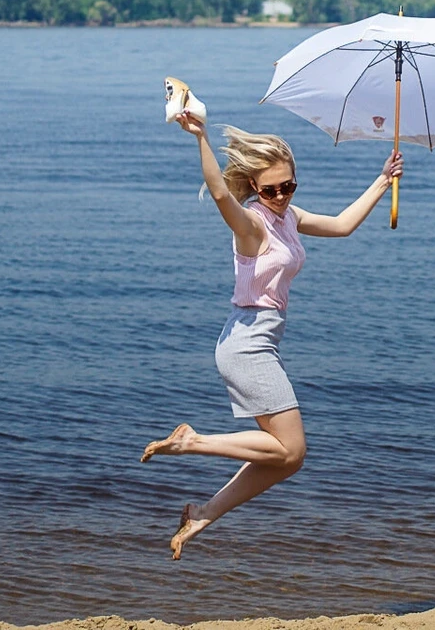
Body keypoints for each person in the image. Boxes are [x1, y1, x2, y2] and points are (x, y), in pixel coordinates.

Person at [141, 109, 404, 560]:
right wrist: (200, 137)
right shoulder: (253, 224)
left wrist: (384, 179)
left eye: (288, 186)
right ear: (255, 189)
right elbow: (222, 195)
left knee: (283, 459)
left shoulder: (289, 216)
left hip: (259, 342)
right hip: (247, 345)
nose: (280, 195)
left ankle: (202, 512)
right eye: (271, 190)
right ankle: (192, 441)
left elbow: (341, 226)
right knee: (291, 450)